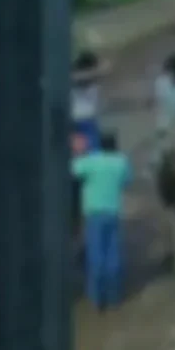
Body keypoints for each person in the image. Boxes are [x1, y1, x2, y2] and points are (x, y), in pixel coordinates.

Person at [71, 130, 132, 310]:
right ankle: (114, 297)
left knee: (96, 256)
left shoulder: (91, 161)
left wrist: (78, 152)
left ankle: (97, 298)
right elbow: (127, 181)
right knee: (113, 255)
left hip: (94, 214)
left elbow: (72, 170)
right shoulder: (122, 162)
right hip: (113, 212)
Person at [72, 50, 104, 153]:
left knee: (92, 153)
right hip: (79, 121)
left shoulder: (92, 80)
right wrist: (98, 71)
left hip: (88, 120)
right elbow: (79, 78)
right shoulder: (75, 78)